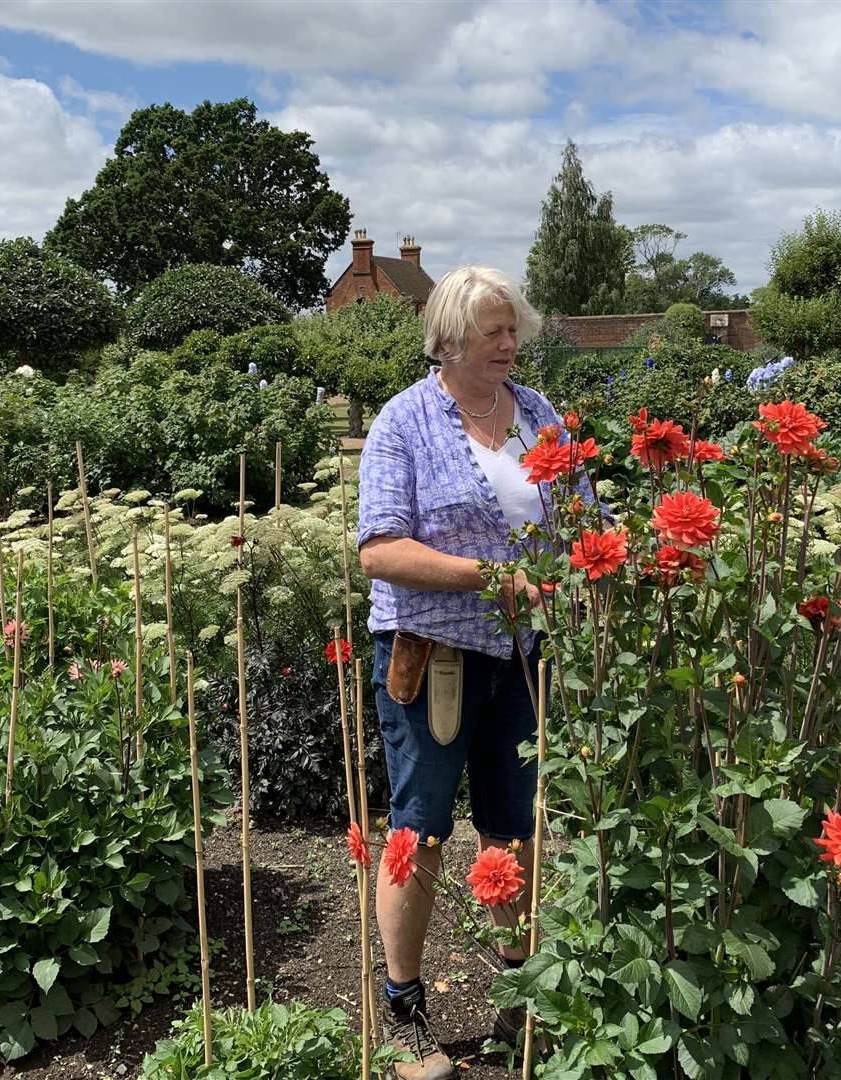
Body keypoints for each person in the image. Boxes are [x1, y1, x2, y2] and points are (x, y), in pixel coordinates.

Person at [357, 266, 572, 1078]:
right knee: (419, 831)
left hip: (522, 657)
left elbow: (580, 503)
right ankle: (405, 1014)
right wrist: (492, 577)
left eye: (514, 329)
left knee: (513, 826)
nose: (511, 344)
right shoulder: (403, 423)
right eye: (494, 332)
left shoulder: (538, 415)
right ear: (448, 339)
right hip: (433, 659)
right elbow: (379, 547)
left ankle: (522, 999)